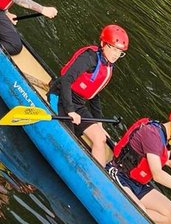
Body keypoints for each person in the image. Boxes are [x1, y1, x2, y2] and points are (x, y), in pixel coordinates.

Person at [51, 24, 129, 164]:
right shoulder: (89, 58)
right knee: (70, 138)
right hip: (61, 96)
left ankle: (97, 174)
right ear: (103, 44)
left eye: (120, 52)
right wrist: (70, 111)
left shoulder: (108, 65)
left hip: (79, 104)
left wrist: (99, 122)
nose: (116, 54)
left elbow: (94, 94)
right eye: (113, 48)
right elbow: (66, 80)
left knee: (100, 138)